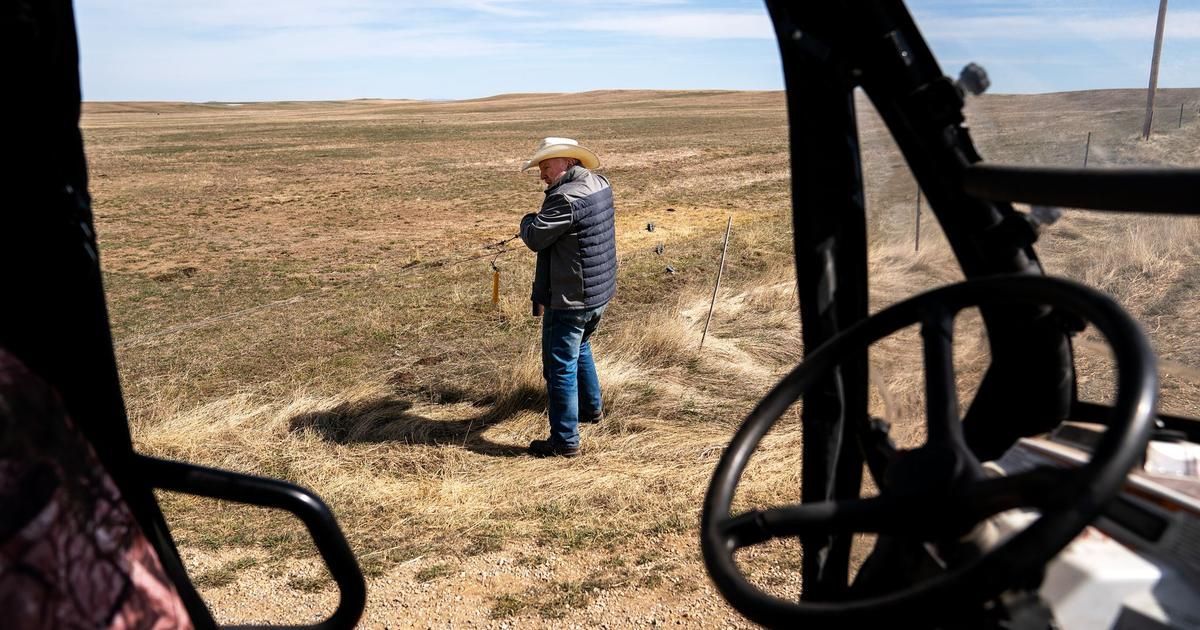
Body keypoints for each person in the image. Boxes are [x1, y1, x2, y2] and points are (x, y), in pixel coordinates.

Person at [518, 137, 617, 458]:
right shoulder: (599, 183)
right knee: (582, 346)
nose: (542, 175)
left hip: (571, 295)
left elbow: (534, 238)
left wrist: (527, 220)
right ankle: (591, 411)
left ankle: (565, 440)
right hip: (598, 291)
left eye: (546, 167)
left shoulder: (564, 199)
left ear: (568, 163)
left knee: (560, 366)